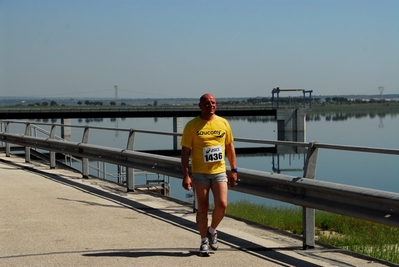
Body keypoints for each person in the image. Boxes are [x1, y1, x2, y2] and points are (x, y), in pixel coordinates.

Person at [181, 93, 238, 257]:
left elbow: (229, 147)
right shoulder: (192, 125)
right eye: (206, 103)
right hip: (200, 173)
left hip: (219, 171)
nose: (210, 105)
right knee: (203, 209)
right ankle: (203, 241)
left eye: (213, 102)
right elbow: (185, 152)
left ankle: (212, 230)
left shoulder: (223, 123)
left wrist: (234, 170)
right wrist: (186, 174)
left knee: (222, 204)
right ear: (200, 106)